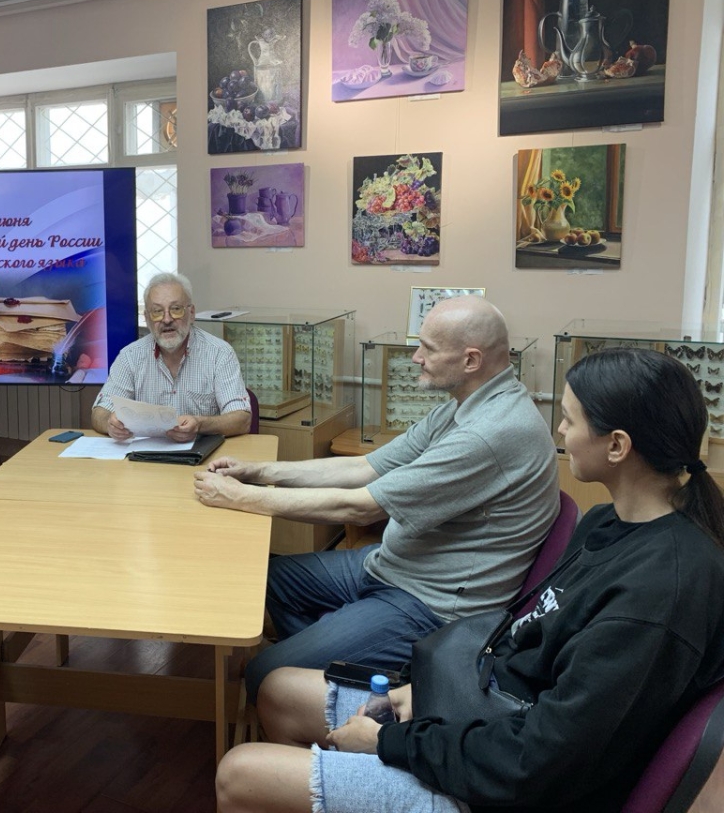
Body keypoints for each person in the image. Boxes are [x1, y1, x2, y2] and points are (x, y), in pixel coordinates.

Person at [215, 347, 724, 813]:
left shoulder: (660, 592)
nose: (559, 432)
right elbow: (527, 645)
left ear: (617, 446)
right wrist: (420, 692)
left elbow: (541, 760)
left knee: (238, 774)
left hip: (508, 782)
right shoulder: (608, 523)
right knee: (278, 690)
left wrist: (390, 743)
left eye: (570, 420)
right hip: (492, 716)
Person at [194, 296, 559, 701]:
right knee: (273, 580)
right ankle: (333, 678)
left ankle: (326, 686)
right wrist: (259, 472)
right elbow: (365, 467)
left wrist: (240, 497)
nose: (416, 358)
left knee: (266, 672)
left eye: (428, 349)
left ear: (471, 360)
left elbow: (360, 507)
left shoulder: (489, 433)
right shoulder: (465, 407)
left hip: (429, 605)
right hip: (396, 565)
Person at [92, 272, 251, 441]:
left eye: (176, 309)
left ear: (191, 313)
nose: (167, 319)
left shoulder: (220, 353)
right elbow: (99, 412)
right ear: (147, 318)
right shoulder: (130, 356)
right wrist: (110, 424)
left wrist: (200, 424)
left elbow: (242, 419)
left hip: (203, 453)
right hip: (145, 454)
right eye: (157, 311)